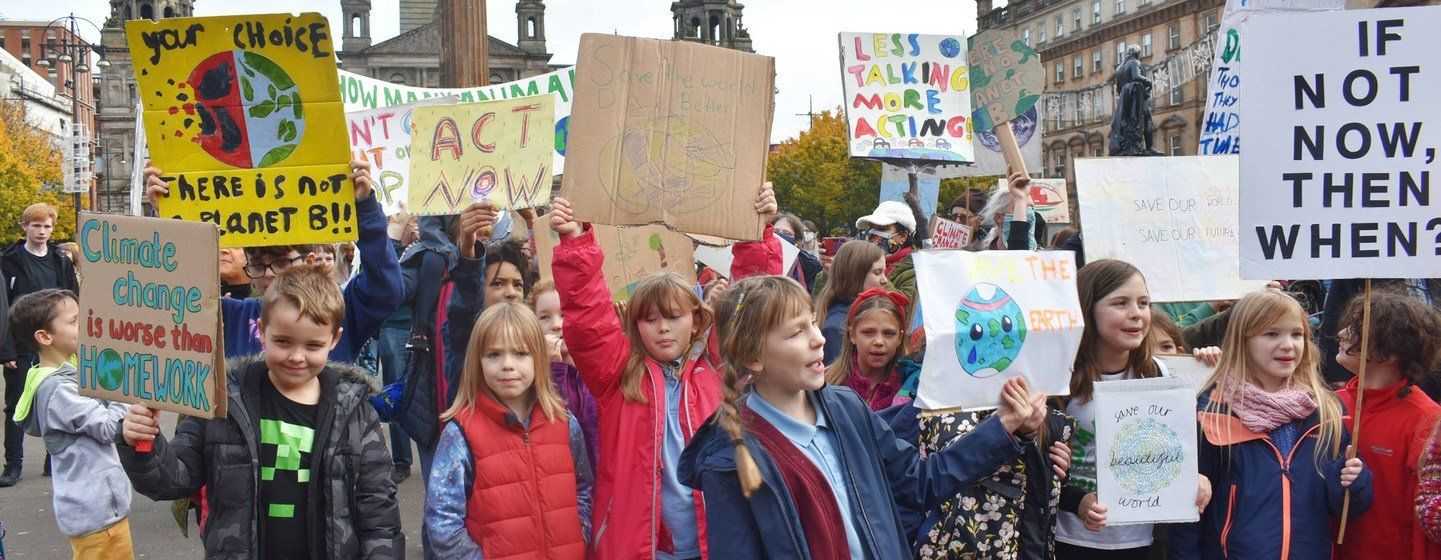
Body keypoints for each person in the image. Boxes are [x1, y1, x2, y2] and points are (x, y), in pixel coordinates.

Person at [678, 275, 1043, 558]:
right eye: (796, 332)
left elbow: (921, 483)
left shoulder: (847, 408)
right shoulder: (730, 458)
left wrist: (1005, 426)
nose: (819, 339)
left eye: (813, 323)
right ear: (753, 357)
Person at [547, 183, 776, 560]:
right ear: (634, 326)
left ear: (697, 318)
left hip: (712, 543)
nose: (663, 328)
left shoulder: (718, 367)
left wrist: (758, 233)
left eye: (673, 317)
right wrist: (575, 243)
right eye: (649, 319)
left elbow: (752, 302)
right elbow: (588, 317)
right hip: (639, 547)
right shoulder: (617, 375)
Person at [117, 265, 404, 558]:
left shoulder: (356, 414)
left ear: (334, 339)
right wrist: (144, 443)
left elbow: (378, 510)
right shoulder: (221, 403)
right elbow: (174, 478)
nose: (296, 356)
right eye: (282, 341)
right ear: (261, 331)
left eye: (313, 345)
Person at [1170, 289, 1371, 559]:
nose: (1288, 345)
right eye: (1271, 334)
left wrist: (1354, 484)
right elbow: (1187, 516)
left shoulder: (1326, 413)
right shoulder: (1211, 414)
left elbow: (1343, 508)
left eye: (1296, 334)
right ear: (1243, 342)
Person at [143, 161, 404, 363]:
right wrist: (169, 216)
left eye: (280, 262)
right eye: (257, 264)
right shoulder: (231, 317)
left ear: (310, 261)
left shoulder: (342, 311)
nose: (268, 275)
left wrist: (365, 208)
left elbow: (387, 289)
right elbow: (173, 299)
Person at [1056, 259, 1206, 559]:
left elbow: (1180, 449)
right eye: (1120, 303)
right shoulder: (1060, 379)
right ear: (1088, 308)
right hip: (1071, 541)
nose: (1136, 314)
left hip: (1143, 541)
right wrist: (1078, 502)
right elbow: (1038, 470)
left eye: (1144, 303)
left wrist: (1196, 478)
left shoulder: (1159, 374)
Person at [423, 303, 593, 558]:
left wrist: (581, 532)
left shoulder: (565, 423)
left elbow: (584, 488)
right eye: (493, 354)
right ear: (477, 361)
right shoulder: (460, 435)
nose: (507, 365)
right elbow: (442, 520)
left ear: (538, 357)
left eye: (521, 353)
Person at [9, 289, 134, 558]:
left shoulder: (68, 371)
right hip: (96, 514)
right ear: (45, 337)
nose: (86, 325)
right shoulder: (58, 389)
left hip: (100, 509)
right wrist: (126, 392)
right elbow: (110, 427)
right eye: (75, 321)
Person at [1336, 291, 1441, 559]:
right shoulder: (1329, 405)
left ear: (1390, 351)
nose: (1342, 333)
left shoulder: (1427, 420)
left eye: (1358, 328)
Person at [1, 202, 78, 487]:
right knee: (17, 404)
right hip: (21, 345)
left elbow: (72, 301)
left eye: (47, 226)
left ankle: (53, 460)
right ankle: (13, 465)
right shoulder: (7, 261)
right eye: (36, 225)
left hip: (56, 344)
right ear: (25, 227)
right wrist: (6, 349)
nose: (42, 231)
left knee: (58, 400)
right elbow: (2, 308)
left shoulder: (60, 261)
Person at [530, 279, 600, 467]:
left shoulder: (595, 368)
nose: (556, 325)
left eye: (564, 315)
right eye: (545, 317)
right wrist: (555, 367)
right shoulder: (529, 374)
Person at [823, 287, 910, 410]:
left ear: (900, 337)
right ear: (852, 334)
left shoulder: (909, 388)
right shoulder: (827, 383)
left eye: (888, 333)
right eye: (868, 332)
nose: (879, 342)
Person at [814, 241, 887, 365]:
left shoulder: (862, 314)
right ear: (855, 276)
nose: (885, 280)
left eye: (884, 272)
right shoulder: (836, 328)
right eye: (877, 272)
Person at [977, 171, 1047, 251]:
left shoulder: (1042, 260)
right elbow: (1018, 251)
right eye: (1018, 208)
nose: (1027, 214)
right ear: (998, 218)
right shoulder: (982, 257)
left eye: (1030, 208)